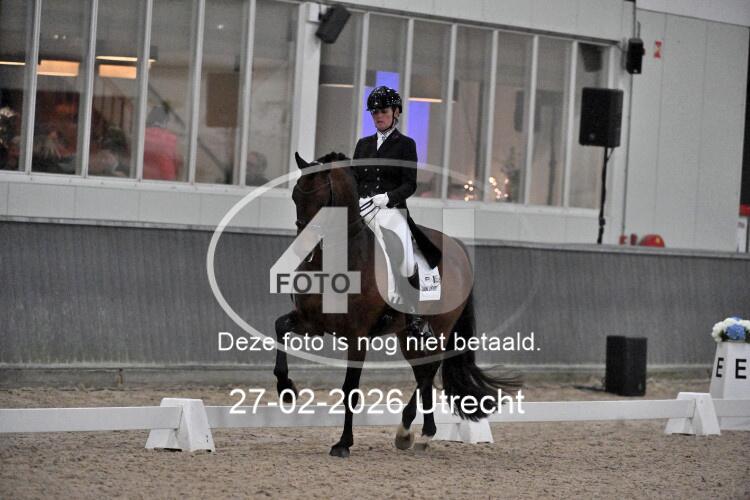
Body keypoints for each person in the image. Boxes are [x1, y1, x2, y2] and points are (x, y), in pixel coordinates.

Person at [352, 85, 440, 339]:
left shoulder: (406, 145)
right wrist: (358, 197)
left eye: (383, 111)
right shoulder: (363, 145)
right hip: (363, 209)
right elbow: (355, 177)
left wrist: (388, 197)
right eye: (375, 112)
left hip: (391, 211)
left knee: (404, 256)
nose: (378, 116)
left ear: (395, 113)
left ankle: (413, 315)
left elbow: (410, 184)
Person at [143, 104, 182, 180]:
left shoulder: (141, 135)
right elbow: (177, 160)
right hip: (167, 178)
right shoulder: (172, 138)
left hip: (144, 178)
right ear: (165, 121)